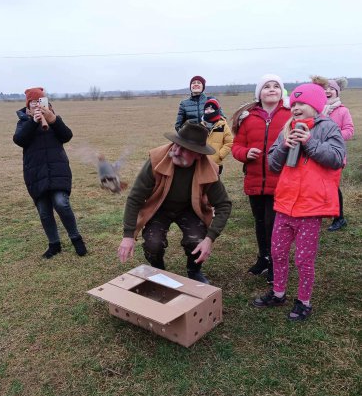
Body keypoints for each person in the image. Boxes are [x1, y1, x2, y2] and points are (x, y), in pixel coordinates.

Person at [253, 83, 345, 321]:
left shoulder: (328, 127)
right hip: (284, 205)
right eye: (293, 104)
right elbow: (273, 164)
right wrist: (285, 146)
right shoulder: (287, 129)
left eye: (302, 103)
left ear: (315, 106)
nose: (296, 108)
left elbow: (336, 158)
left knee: (304, 259)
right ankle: (278, 293)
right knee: (278, 252)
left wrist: (309, 142)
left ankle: (304, 301)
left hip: (310, 208)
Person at [117, 121, 232, 284]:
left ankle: (194, 271)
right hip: (159, 208)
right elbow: (135, 198)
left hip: (190, 208)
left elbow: (223, 204)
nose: (176, 151)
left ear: (198, 155)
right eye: (176, 145)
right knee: (153, 243)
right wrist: (128, 235)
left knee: (197, 241)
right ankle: (159, 271)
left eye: (184, 149)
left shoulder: (209, 169)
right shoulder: (156, 160)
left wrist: (210, 238)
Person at [12, 87, 87, 258]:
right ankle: (54, 244)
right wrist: (33, 121)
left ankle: (76, 238)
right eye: (33, 103)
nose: (37, 106)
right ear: (28, 106)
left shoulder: (53, 119)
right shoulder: (24, 122)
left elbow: (67, 136)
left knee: (61, 203)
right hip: (36, 174)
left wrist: (53, 120)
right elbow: (19, 140)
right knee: (44, 212)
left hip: (58, 171)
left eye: (40, 102)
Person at [231, 74, 291, 284]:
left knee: (274, 224)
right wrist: (245, 153)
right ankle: (263, 258)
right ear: (259, 93)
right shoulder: (248, 118)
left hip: (280, 181)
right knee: (259, 222)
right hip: (255, 180)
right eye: (267, 87)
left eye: (276, 86)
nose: (272, 89)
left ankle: (276, 263)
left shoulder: (290, 115)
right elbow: (236, 146)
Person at [312, 77, 354, 231]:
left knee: (333, 187)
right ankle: (318, 213)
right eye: (325, 88)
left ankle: (339, 217)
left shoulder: (343, 110)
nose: (328, 91)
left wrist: (333, 137)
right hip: (317, 154)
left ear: (337, 91)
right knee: (317, 186)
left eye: (331, 88)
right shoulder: (316, 110)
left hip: (335, 155)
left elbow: (349, 130)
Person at [201, 98, 234, 175]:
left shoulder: (223, 126)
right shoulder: (200, 126)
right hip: (201, 163)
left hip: (215, 164)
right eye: (206, 109)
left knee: (214, 185)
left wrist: (220, 155)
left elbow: (229, 142)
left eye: (212, 109)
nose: (208, 111)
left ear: (217, 111)